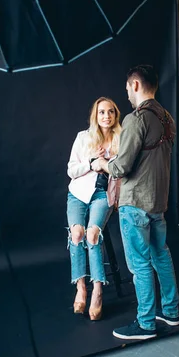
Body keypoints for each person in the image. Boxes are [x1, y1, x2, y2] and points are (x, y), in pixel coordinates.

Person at [91, 64, 179, 340]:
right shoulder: (166, 118)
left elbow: (123, 167)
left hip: (135, 203)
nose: (127, 93)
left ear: (137, 85)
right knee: (161, 254)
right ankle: (171, 312)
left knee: (140, 264)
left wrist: (102, 163)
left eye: (128, 87)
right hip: (157, 202)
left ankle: (145, 324)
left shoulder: (136, 118)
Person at [66, 97, 122, 321]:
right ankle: (81, 286)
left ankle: (98, 290)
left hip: (103, 194)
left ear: (115, 115)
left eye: (110, 112)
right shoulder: (83, 138)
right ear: (95, 115)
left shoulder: (121, 140)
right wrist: (91, 162)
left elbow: (122, 173)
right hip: (78, 193)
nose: (106, 116)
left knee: (92, 234)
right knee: (77, 233)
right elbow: (71, 170)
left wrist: (106, 162)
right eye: (101, 112)